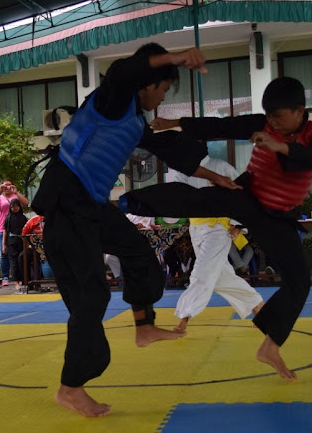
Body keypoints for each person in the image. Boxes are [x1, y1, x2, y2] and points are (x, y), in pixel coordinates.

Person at [31, 42, 210, 417]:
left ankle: (143, 325)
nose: (161, 97)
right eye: (162, 88)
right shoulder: (113, 99)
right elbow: (121, 72)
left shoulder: (134, 121)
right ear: (147, 81)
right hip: (66, 204)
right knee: (91, 299)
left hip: (92, 207)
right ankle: (71, 387)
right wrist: (176, 56)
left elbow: (173, 151)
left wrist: (217, 180)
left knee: (139, 253)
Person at [121, 76, 312, 382]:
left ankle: (270, 347)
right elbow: (222, 126)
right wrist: (175, 123)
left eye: (279, 118)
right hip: (248, 197)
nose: (273, 123)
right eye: (269, 117)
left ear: (300, 111)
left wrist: (279, 145)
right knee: (201, 200)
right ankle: (127, 204)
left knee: (299, 281)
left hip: (278, 216)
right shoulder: (263, 122)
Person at [170, 156, 264, 333]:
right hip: (196, 227)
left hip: (219, 229)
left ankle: (184, 318)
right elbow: (177, 197)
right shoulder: (182, 170)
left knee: (202, 271)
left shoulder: (221, 167)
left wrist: (239, 223)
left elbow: (243, 194)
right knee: (221, 278)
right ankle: (259, 306)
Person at [0, 179, 29, 286]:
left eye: (9, 185)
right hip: (3, 229)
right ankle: (5, 277)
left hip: (17, 231)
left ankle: (19, 277)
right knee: (4, 254)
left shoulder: (15, 197)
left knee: (19, 255)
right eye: (4, 185)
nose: (7, 187)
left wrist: (16, 192)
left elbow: (26, 204)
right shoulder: (0, 197)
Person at [2, 198, 28, 291]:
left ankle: (24, 280)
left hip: (22, 241)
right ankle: (16, 281)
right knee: (13, 262)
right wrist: (4, 245)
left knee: (22, 260)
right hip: (11, 242)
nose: (15, 208)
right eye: (13, 206)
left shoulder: (23, 217)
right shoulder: (8, 218)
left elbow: (27, 230)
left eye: (17, 206)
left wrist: (27, 242)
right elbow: (5, 231)